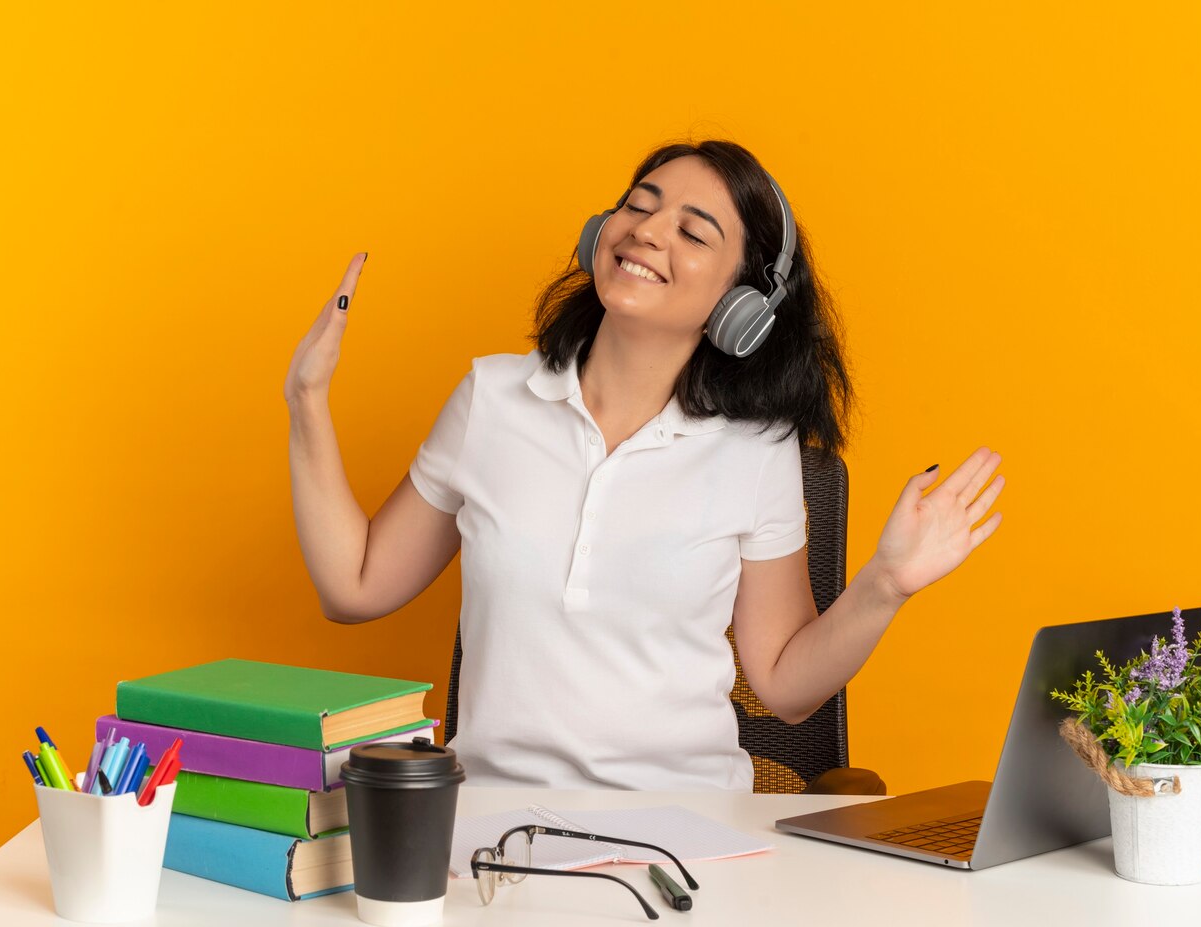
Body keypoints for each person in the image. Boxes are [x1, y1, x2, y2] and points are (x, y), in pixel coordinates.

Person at [284, 139, 1005, 791]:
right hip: (493, 833)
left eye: (693, 232)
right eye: (637, 206)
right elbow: (355, 585)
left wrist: (886, 584)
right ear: (600, 234)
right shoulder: (492, 399)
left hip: (686, 841)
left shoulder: (756, 450)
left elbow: (784, 683)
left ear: (740, 304)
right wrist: (307, 400)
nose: (648, 232)